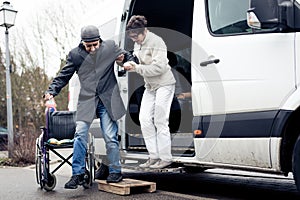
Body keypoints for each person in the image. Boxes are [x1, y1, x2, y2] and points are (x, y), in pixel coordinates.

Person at [44, 25, 135, 189]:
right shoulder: (75, 55)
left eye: (95, 44)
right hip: (87, 101)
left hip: (107, 99)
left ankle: (115, 171)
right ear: (82, 43)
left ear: (99, 40)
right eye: (88, 46)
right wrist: (51, 91)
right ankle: (77, 174)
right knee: (80, 135)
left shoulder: (109, 48)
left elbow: (127, 55)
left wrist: (129, 61)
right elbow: (63, 76)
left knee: (110, 136)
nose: (92, 48)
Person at [123, 15, 176, 169]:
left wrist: (136, 68)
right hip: (150, 86)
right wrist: (130, 63)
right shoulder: (137, 44)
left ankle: (166, 158)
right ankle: (154, 156)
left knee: (160, 120)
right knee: (144, 119)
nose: (134, 40)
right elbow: (139, 61)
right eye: (131, 37)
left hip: (164, 83)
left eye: (136, 36)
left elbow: (159, 68)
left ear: (144, 31)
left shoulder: (156, 41)